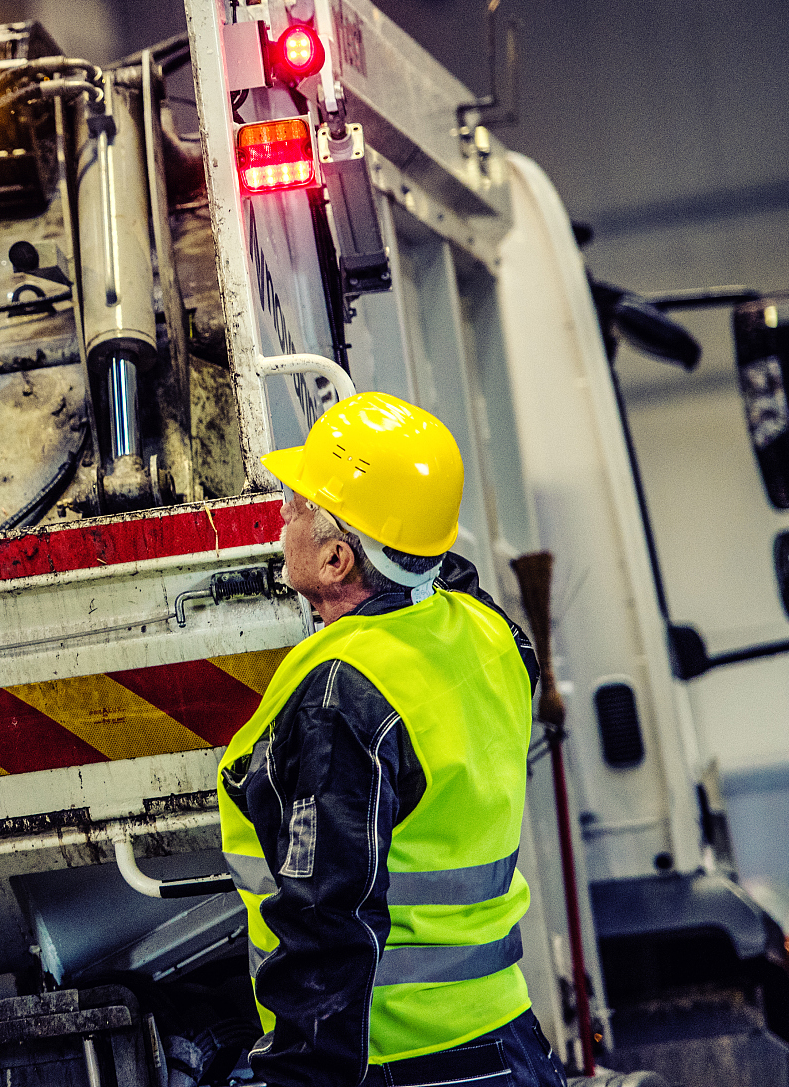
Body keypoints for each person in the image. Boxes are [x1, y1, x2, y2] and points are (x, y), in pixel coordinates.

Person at [217, 391, 569, 1087]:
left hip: (400, 1060)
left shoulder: (340, 696)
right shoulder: (491, 634)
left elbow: (329, 923)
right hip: (507, 1041)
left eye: (296, 505)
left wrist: (301, 1078)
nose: (282, 514)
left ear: (337, 560)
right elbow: (438, 569)